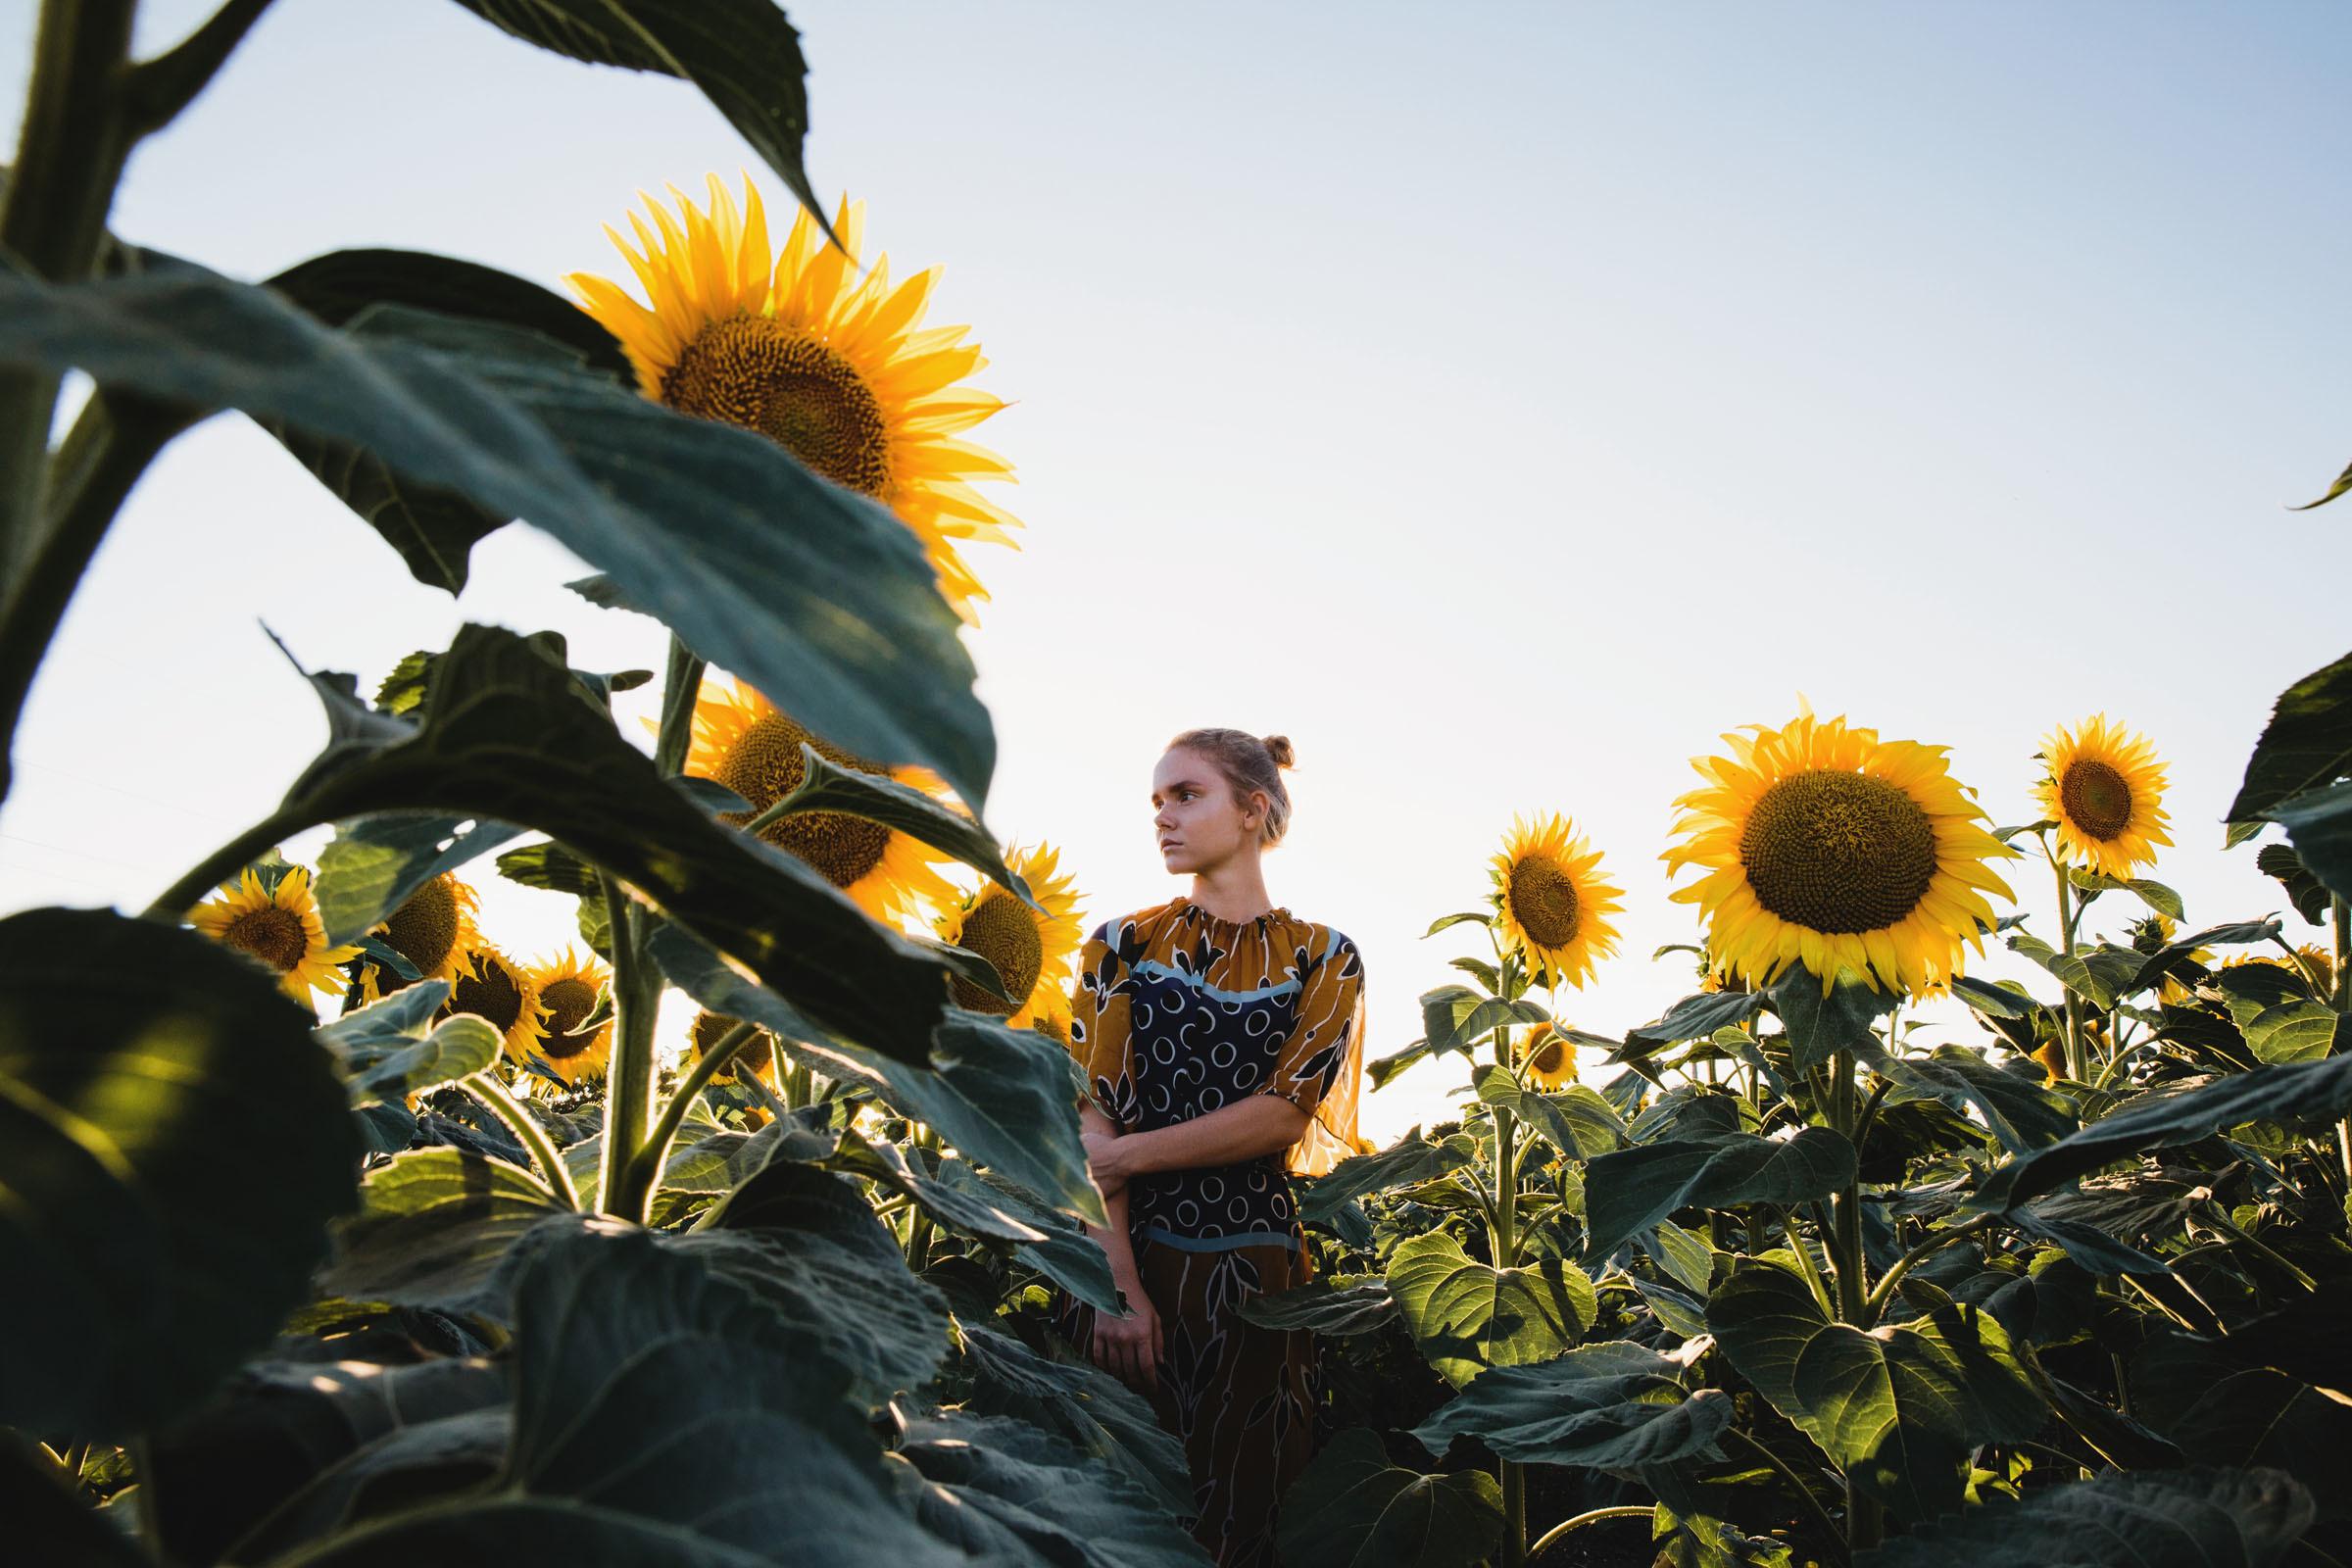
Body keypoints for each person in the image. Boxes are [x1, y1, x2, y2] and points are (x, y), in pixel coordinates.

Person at [1063, 727, 1365, 1568]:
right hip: (1129, 1256)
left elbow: (1282, 1115)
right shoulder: (1120, 943)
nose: (1162, 815)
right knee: (1121, 1513)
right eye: (1156, 799)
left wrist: (1127, 1157)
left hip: (1257, 1282)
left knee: (1246, 1510)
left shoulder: (1324, 957)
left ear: (1253, 809)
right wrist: (1116, 1287)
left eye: (1186, 795)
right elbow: (1095, 1118)